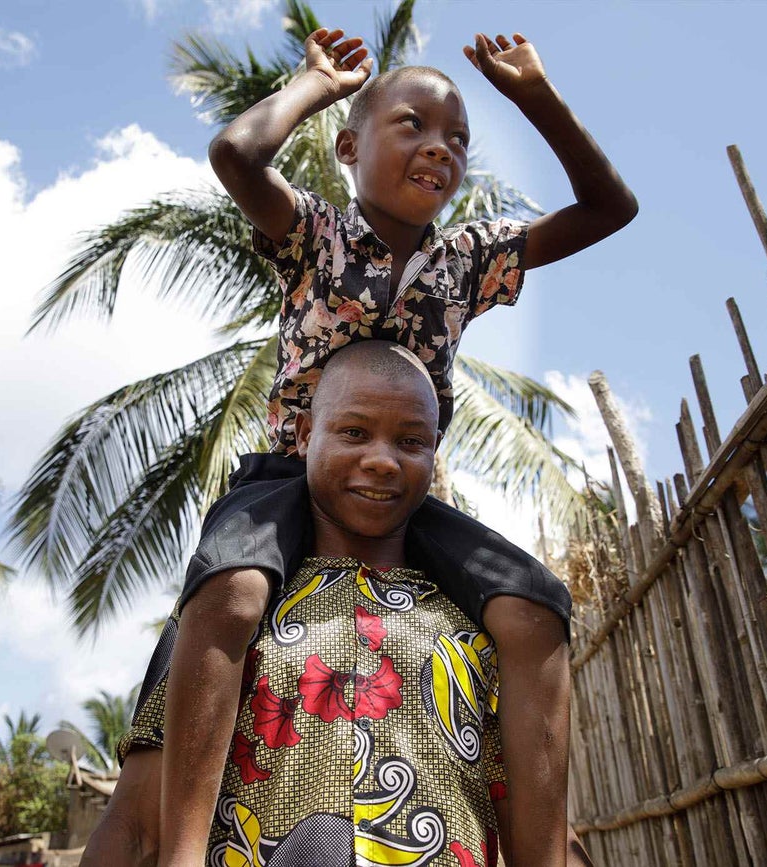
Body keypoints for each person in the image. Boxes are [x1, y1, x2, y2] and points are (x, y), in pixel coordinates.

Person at [93, 25, 634, 867]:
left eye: (457, 137)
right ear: (348, 147)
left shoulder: (470, 259)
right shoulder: (317, 235)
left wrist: (534, 95)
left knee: (534, 605)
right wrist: (314, 84)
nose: (439, 147)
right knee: (232, 592)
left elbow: (611, 208)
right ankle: (185, 849)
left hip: (407, 489)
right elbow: (236, 154)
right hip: (287, 478)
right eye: (412, 124)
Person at [86, 342, 583, 866]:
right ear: (304, 436)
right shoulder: (226, 615)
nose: (381, 460)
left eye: (411, 442)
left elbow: (546, 834)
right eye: (354, 432)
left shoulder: (477, 635)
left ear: (433, 453)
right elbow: (138, 820)